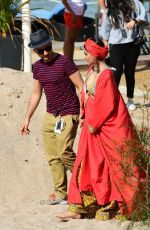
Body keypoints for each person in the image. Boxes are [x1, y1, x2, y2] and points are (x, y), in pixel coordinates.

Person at [56, 38, 145, 220]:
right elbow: (87, 95)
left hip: (107, 128)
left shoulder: (107, 76)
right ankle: (80, 209)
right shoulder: (91, 71)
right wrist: (85, 106)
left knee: (112, 166)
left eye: (87, 53)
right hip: (92, 128)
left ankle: (115, 204)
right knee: (86, 164)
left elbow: (107, 104)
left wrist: (91, 112)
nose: (84, 56)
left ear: (95, 55)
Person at [20, 29, 84, 205]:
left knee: (64, 152)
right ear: (35, 51)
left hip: (69, 113)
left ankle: (86, 183)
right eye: (41, 51)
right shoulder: (38, 67)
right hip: (50, 116)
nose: (46, 53)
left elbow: (81, 87)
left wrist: (85, 112)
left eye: (47, 48)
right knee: (53, 157)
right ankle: (61, 192)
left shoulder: (65, 63)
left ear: (51, 44)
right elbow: (35, 94)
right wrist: (27, 118)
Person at [100, 0, 147, 111]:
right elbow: (105, 30)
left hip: (132, 44)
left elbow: (144, 16)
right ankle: (113, 101)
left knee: (130, 73)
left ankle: (130, 100)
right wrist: (104, 47)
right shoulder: (109, 9)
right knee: (116, 73)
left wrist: (135, 21)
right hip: (116, 46)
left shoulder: (134, 2)